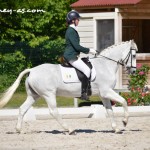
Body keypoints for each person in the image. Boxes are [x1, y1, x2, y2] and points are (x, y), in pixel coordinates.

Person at [63, 10, 97, 100]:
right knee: (87, 70)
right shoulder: (71, 31)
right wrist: (90, 50)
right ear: (73, 20)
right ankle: (83, 93)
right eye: (77, 19)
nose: (79, 21)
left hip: (73, 55)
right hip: (71, 56)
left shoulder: (72, 30)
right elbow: (77, 47)